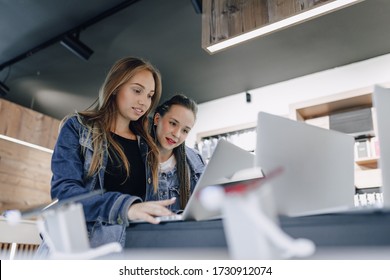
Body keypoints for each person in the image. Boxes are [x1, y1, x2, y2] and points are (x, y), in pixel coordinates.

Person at [49, 57, 176, 249]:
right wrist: (126, 207)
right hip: (86, 248)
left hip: (131, 249)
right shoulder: (77, 127)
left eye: (150, 95)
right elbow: (65, 192)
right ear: (116, 86)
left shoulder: (147, 145)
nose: (144, 102)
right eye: (137, 90)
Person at [150, 94, 206, 212]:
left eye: (185, 130)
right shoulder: (134, 155)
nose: (177, 134)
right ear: (157, 119)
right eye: (173, 123)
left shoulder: (196, 162)